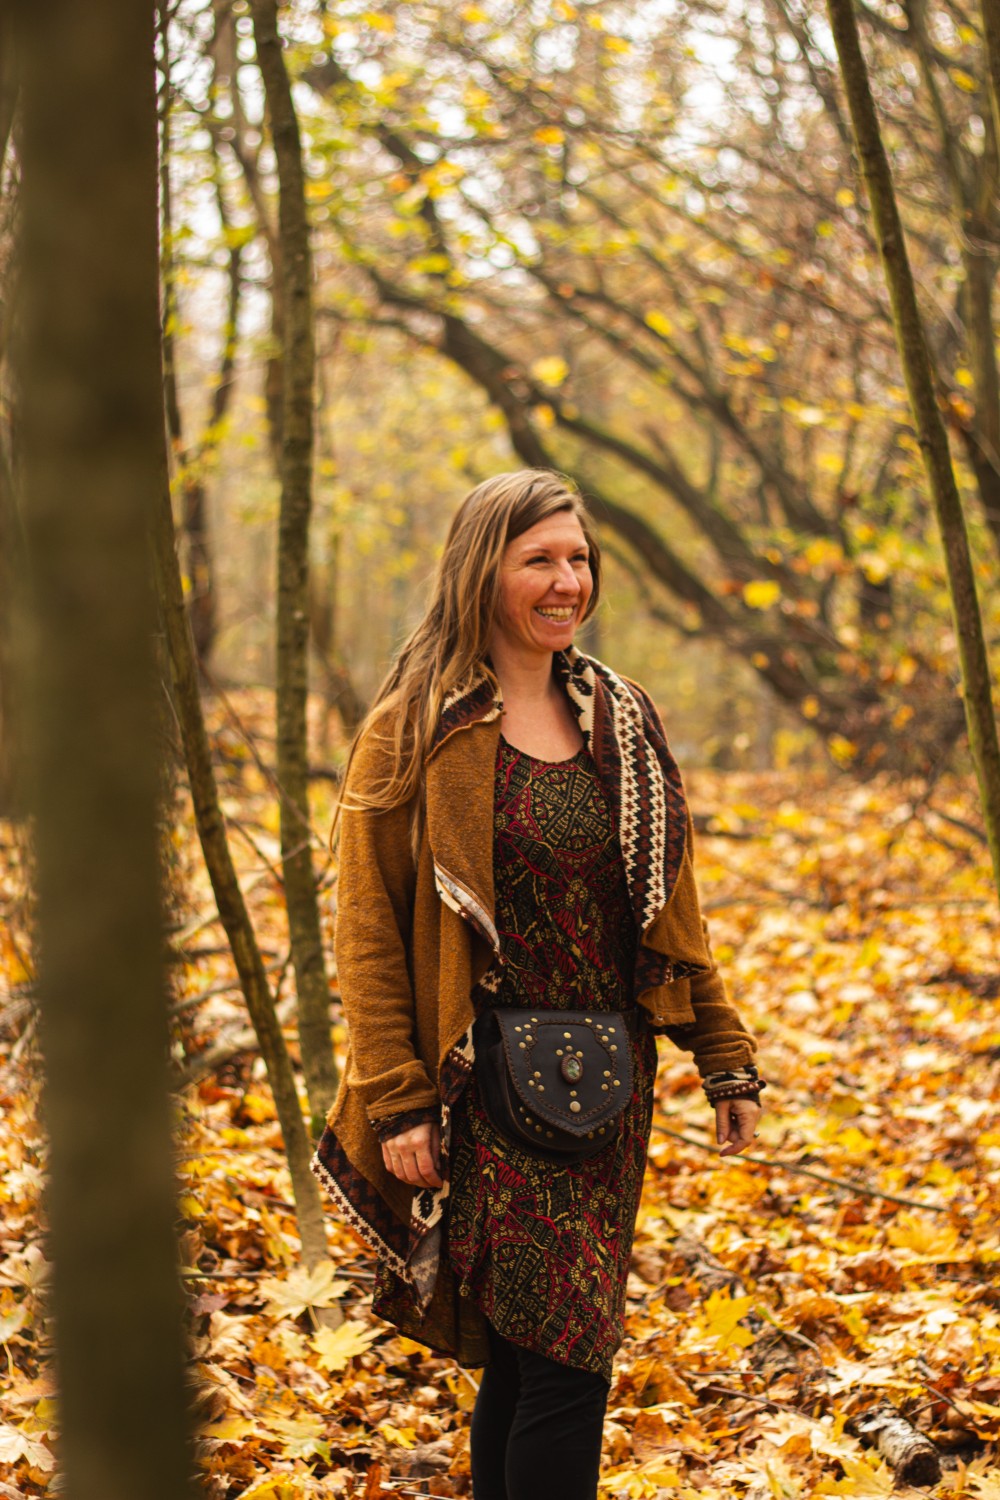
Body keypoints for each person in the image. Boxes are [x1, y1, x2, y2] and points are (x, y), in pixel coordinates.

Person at [312, 469, 764, 1500]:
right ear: (484, 571)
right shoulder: (415, 727)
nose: (568, 582)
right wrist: (397, 1096)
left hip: (609, 1086)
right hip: (484, 1089)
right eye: (540, 560)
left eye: (579, 559)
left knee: (534, 1361)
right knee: (566, 1362)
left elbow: (671, 910)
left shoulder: (623, 718)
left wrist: (723, 1054)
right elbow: (369, 927)